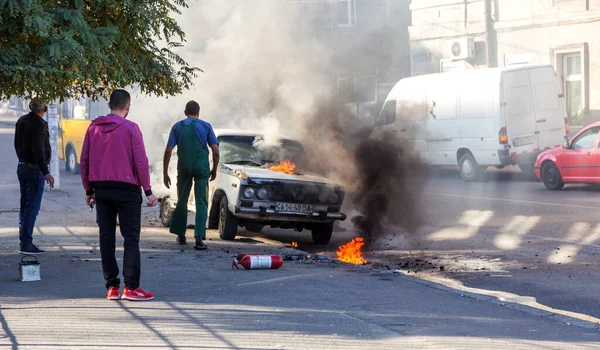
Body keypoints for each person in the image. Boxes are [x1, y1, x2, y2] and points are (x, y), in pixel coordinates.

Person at [80, 89, 157, 301]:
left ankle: (112, 287)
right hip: (127, 190)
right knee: (130, 238)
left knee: (106, 238)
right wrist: (148, 190)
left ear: (109, 105)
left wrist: (89, 190)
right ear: (128, 106)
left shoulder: (93, 128)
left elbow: (84, 160)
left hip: (101, 189)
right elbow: (140, 161)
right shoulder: (131, 128)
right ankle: (131, 287)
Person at [163, 100, 219, 250]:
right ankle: (199, 238)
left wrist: (165, 172)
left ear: (185, 112)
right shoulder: (206, 126)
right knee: (201, 201)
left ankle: (180, 234)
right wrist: (214, 169)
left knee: (182, 199)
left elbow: (168, 150)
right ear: (198, 113)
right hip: (202, 168)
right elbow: (215, 150)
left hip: (184, 167)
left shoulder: (177, 126)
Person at [14, 97, 55, 255]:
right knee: (32, 208)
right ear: (43, 109)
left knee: (25, 206)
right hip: (34, 170)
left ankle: (24, 240)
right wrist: (46, 171)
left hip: (22, 167)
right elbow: (38, 148)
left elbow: (17, 143)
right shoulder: (39, 124)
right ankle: (26, 243)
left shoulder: (21, 120)